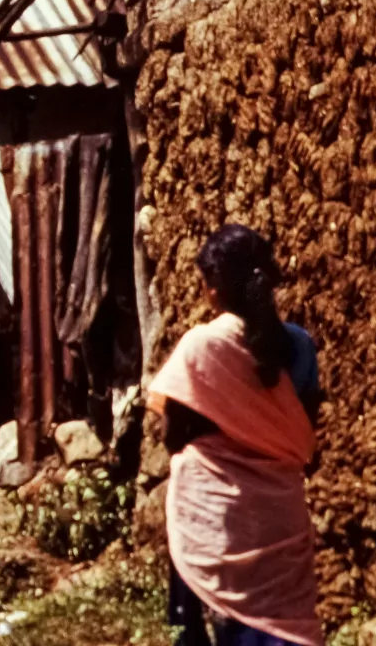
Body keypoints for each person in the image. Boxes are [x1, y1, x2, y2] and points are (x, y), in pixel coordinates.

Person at [151, 224, 324, 646]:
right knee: (286, 628)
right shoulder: (299, 347)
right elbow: (305, 421)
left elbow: (173, 433)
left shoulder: (201, 347)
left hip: (214, 517)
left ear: (212, 291)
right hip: (279, 515)